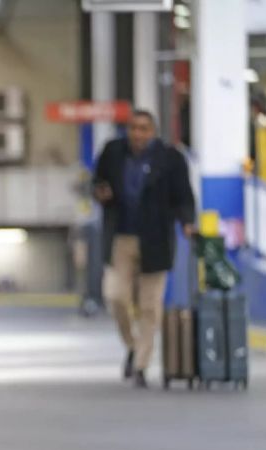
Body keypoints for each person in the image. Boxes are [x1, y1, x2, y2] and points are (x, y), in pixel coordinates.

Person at [93, 109, 196, 389]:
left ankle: (141, 365)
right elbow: (97, 182)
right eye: (134, 128)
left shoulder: (171, 158)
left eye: (144, 129)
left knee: (150, 307)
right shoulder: (113, 152)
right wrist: (100, 192)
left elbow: (184, 196)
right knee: (115, 296)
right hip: (121, 239)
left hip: (157, 241)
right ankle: (133, 345)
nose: (138, 134)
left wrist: (187, 222)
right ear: (128, 130)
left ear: (153, 132)